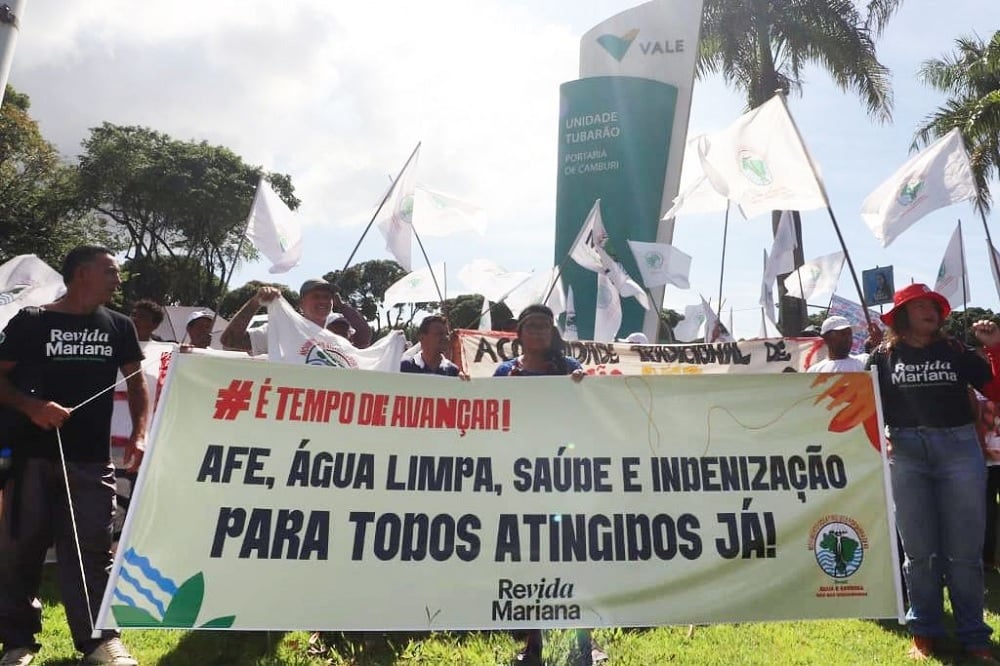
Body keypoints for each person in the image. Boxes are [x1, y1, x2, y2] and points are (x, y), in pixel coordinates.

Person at [0, 245, 149, 666]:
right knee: (20, 550)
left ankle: (99, 643)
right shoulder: (31, 321)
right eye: (111, 271)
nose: (118, 280)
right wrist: (33, 408)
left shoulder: (119, 326)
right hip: (30, 458)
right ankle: (17, 643)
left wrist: (139, 435)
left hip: (91, 460)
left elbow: (137, 386)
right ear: (82, 274)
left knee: (93, 549)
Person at [866, 283, 1000, 663]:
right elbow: (862, 404)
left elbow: (995, 388)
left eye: (933, 305)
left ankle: (974, 635)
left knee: (964, 552)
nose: (929, 310)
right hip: (906, 453)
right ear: (902, 315)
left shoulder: (955, 350)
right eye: (919, 305)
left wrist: (994, 347)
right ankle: (924, 631)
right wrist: (882, 440)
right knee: (919, 552)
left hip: (958, 451)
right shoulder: (881, 356)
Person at [493, 305, 604, 666]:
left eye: (545, 326)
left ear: (552, 333)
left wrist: (583, 387)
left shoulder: (571, 370)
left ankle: (583, 643)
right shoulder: (505, 373)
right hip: (521, 480)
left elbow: (591, 409)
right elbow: (488, 411)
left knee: (572, 560)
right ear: (520, 334)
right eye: (532, 326)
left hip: (563, 478)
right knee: (531, 562)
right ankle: (534, 644)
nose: (539, 331)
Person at [220, 279, 371, 354]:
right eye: (316, 296)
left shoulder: (337, 332)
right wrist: (254, 303)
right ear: (301, 303)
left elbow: (364, 337)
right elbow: (230, 340)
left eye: (327, 297)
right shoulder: (283, 330)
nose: (323, 301)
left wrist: (343, 306)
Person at [807, 315, 881, 372]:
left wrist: (880, 345)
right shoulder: (814, 372)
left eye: (849, 333)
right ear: (826, 339)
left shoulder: (865, 360)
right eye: (842, 334)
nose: (848, 338)